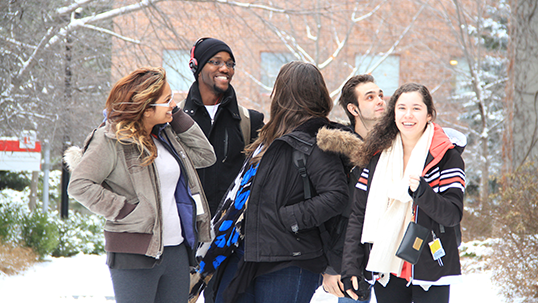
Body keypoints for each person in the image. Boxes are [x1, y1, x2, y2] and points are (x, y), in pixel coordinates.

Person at [196, 61, 350, 303]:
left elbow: (336, 195)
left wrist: (289, 219)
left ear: (286, 94)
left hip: (290, 260)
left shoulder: (317, 139)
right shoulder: (269, 138)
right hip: (246, 254)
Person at [65, 67, 216, 303]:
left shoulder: (165, 135)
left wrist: (173, 114)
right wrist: (127, 211)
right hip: (134, 252)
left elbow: (206, 156)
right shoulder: (110, 139)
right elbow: (80, 185)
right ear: (146, 108)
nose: (173, 105)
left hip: (176, 249)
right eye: (167, 100)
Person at [341, 83, 466, 303]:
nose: (408, 115)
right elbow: (358, 215)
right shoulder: (377, 157)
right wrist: (351, 265)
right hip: (386, 265)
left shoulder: (446, 156)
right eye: (402, 108)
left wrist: (422, 192)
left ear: (429, 115)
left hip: (430, 267)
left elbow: (452, 214)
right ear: (393, 114)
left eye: (416, 108)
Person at [319, 74, 386, 303]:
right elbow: (328, 214)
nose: (380, 100)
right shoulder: (337, 153)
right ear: (353, 109)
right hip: (349, 263)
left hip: (391, 259)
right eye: (370, 97)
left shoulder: (396, 149)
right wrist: (330, 265)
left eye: (380, 95)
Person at [182, 37, 264, 217]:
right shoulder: (176, 119)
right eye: (216, 62)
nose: (225, 69)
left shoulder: (250, 121)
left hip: (229, 230)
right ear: (196, 66)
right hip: (186, 228)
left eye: (230, 64)